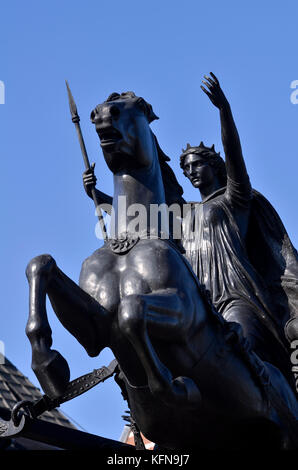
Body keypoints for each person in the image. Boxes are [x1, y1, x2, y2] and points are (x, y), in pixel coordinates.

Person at [180, 73, 298, 388]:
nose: (191, 171)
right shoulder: (186, 217)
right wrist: (106, 198)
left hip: (237, 297)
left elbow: (234, 154)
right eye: (186, 168)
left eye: (197, 164)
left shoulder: (235, 198)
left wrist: (223, 109)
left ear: (214, 167)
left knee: (243, 347)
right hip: (201, 304)